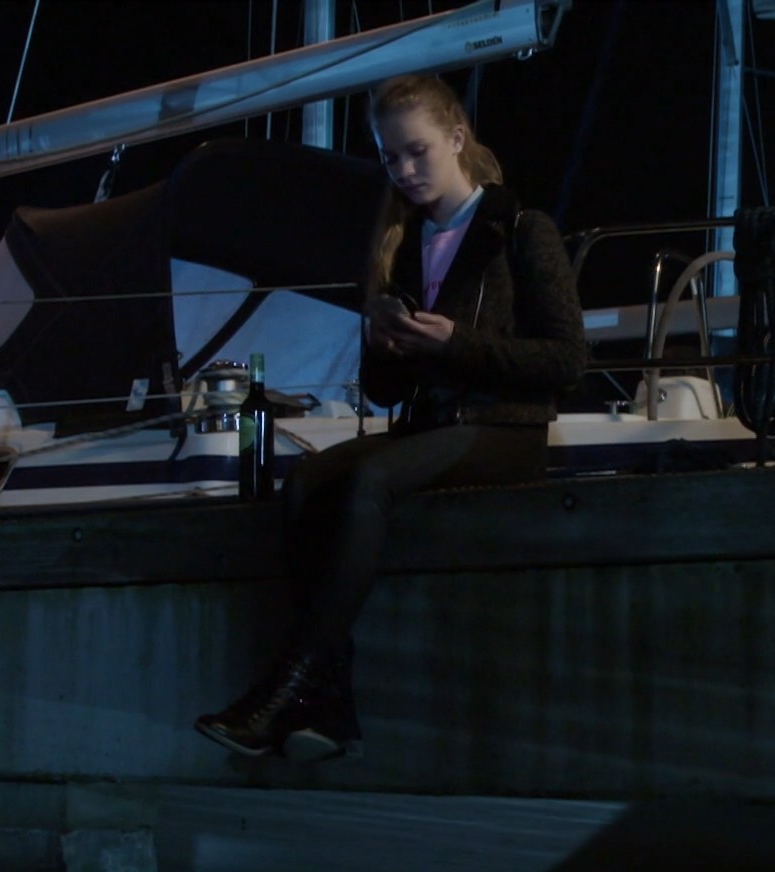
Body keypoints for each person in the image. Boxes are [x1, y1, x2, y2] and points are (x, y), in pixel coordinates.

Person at [195, 74, 587, 763]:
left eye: (417, 151)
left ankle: (286, 691)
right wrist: (385, 344)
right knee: (305, 483)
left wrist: (455, 344)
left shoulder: (521, 229)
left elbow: (566, 359)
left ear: (456, 139)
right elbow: (382, 392)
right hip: (434, 427)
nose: (404, 170)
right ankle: (329, 708)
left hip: (505, 428)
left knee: (369, 481)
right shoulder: (404, 243)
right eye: (390, 157)